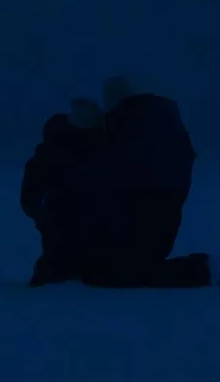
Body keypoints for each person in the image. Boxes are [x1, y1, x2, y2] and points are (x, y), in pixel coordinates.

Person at [79, 75, 200, 287]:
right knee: (132, 267)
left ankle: (201, 269)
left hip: (143, 206)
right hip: (166, 204)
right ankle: (201, 269)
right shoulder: (160, 118)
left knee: (120, 273)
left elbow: (115, 169)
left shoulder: (126, 122)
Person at [20, 97, 105, 285]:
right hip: (61, 215)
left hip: (77, 216)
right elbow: (32, 185)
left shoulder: (57, 147)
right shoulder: (56, 150)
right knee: (58, 259)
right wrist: (36, 211)